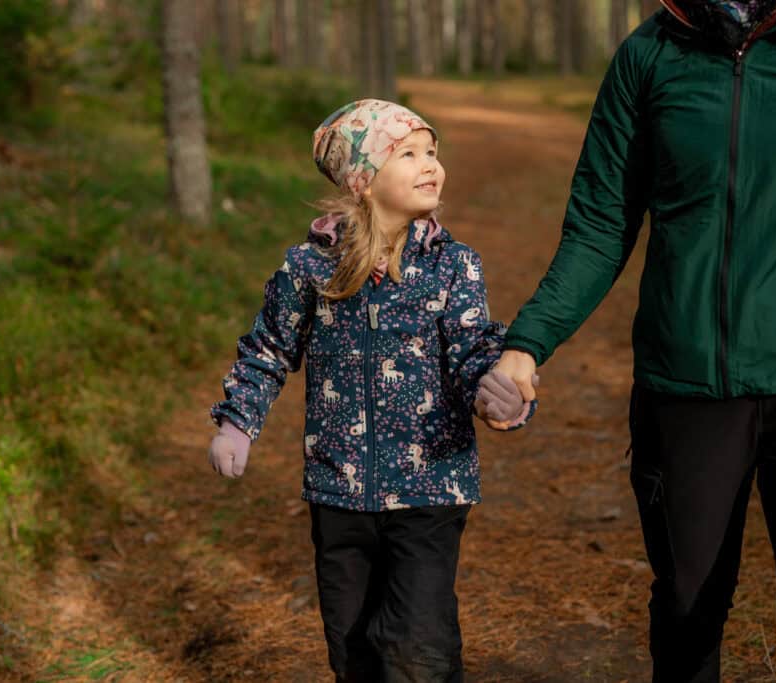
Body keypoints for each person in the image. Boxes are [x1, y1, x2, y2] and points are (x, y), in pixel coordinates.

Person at [492, 1, 776, 681]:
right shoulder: (651, 53)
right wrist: (528, 341)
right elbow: (601, 223)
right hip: (687, 388)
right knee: (688, 621)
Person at [207, 99, 535, 682]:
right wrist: (239, 421)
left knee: (418, 646)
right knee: (353, 648)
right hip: (338, 491)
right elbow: (269, 348)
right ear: (362, 179)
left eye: (432, 151)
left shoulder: (454, 266)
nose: (430, 164)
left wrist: (495, 390)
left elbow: (472, 349)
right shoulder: (312, 267)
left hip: (431, 486)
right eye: (407, 154)